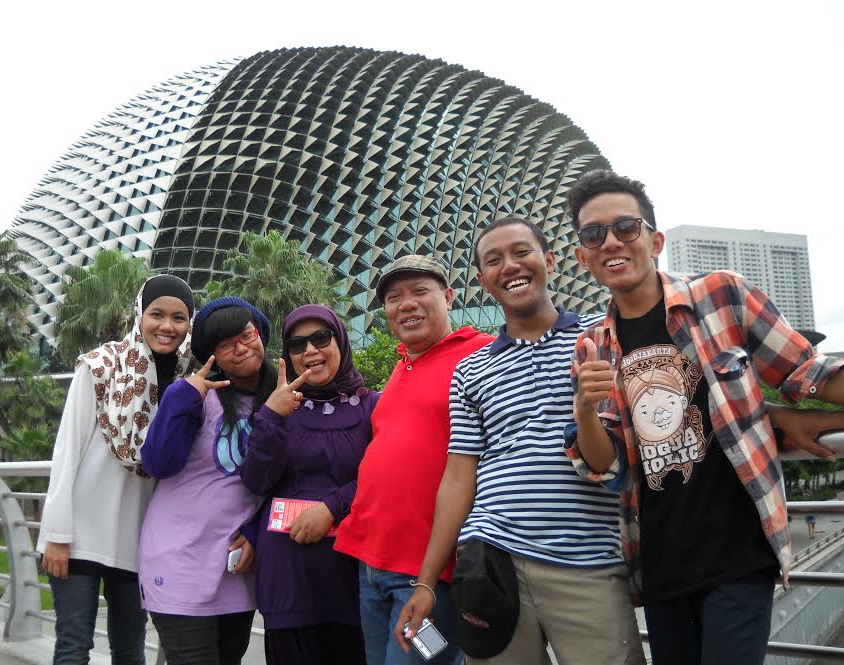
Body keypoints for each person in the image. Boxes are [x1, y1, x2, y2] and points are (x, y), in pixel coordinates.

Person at [566, 170, 844, 665]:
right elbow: (603, 463)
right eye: (594, 234)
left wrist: (778, 411)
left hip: (738, 551)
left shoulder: (721, 295)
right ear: (581, 255)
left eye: (625, 228)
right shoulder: (594, 345)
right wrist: (585, 409)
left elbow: (804, 369)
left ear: (654, 240)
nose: (611, 241)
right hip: (660, 562)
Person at [395, 218, 645, 665]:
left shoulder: (602, 336)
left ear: (548, 260)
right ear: (482, 279)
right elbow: (458, 478)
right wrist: (426, 582)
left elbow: (614, 455)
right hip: (490, 563)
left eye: (521, 252)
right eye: (494, 260)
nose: (509, 266)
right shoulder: (471, 370)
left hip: (588, 562)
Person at [334, 255, 494, 665]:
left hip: (428, 575)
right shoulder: (401, 365)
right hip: (372, 565)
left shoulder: (481, 354)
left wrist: (429, 577)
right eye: (393, 297)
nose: (406, 304)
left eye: (420, 291)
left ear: (449, 296)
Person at [38, 274, 195, 665]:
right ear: (140, 314)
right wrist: (57, 534)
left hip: (137, 540)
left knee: (130, 650)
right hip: (78, 537)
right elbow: (67, 450)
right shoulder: (101, 366)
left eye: (179, 318)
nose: (167, 326)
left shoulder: (190, 378)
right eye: (157, 314)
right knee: (73, 647)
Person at [138, 297, 277, 665]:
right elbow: (158, 463)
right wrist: (179, 397)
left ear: (260, 334)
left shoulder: (281, 397)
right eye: (225, 344)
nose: (240, 348)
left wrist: (257, 531)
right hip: (180, 560)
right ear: (210, 355)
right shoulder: (198, 397)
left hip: (237, 567)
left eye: (246, 335)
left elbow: (287, 481)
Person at [241, 304, 379, 665]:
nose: (311, 351)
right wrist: (270, 416)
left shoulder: (372, 409)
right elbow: (257, 482)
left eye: (321, 338)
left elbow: (383, 478)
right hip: (288, 578)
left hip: (350, 577)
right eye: (297, 344)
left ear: (341, 341)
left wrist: (333, 506)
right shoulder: (278, 409)